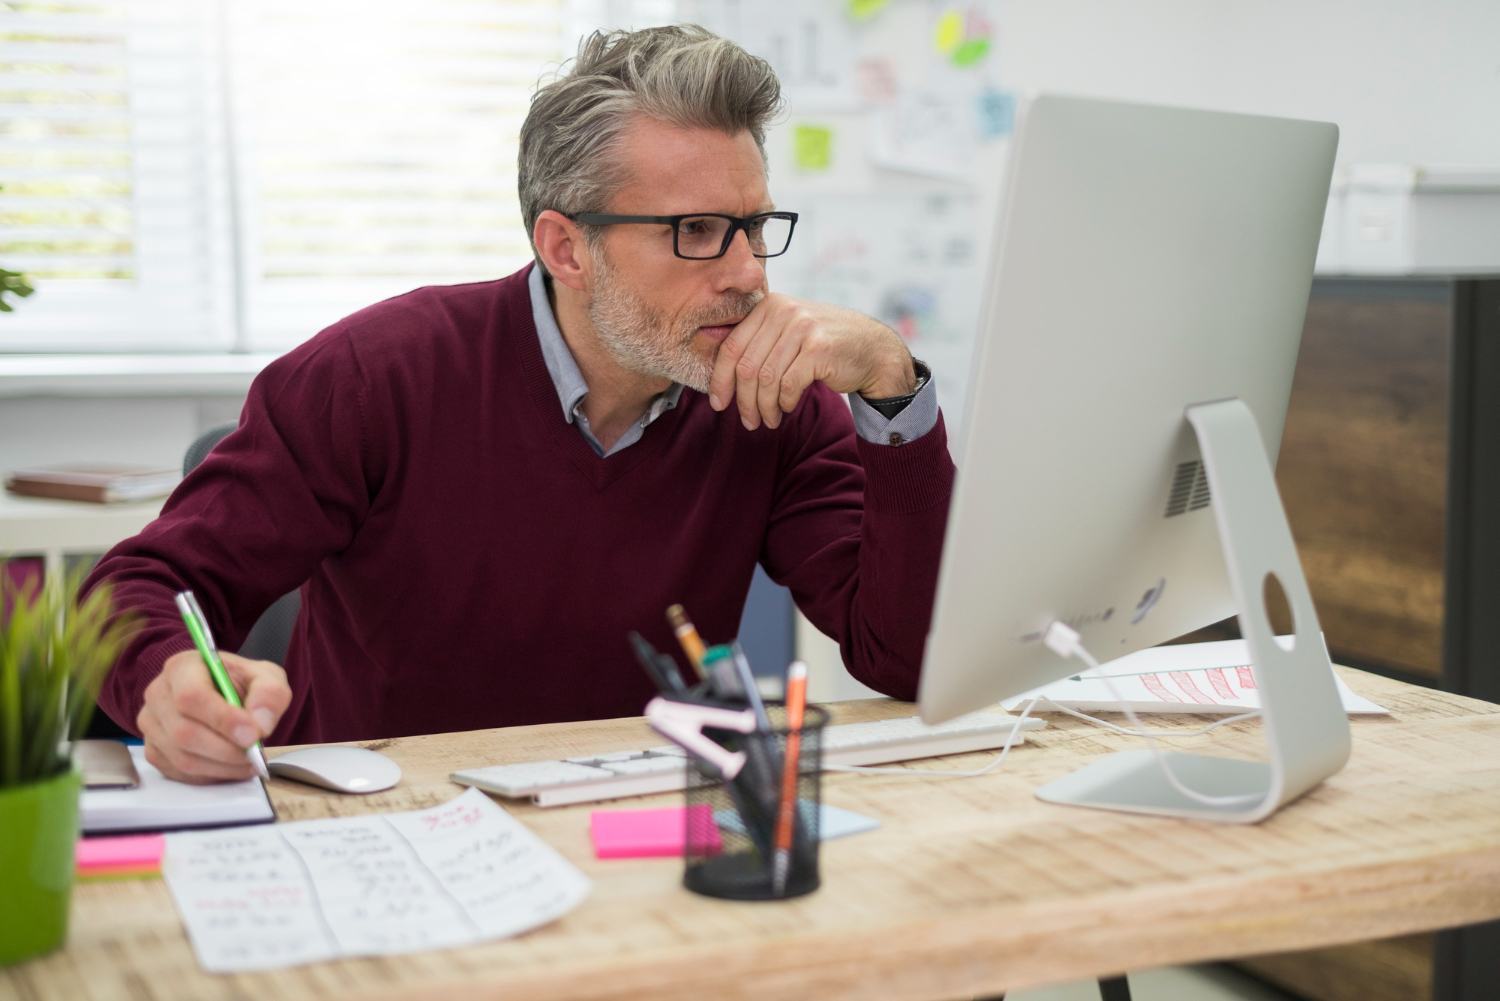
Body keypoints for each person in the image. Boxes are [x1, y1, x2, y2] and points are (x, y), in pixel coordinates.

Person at [84, 25, 956, 784]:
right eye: (696, 232)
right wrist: (170, 681)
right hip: (385, 818)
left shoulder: (768, 399)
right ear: (566, 247)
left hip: (627, 824)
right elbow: (135, 589)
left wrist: (891, 381)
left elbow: (910, 658)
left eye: (757, 226)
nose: (749, 275)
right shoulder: (374, 375)